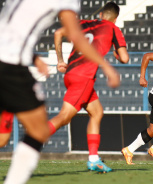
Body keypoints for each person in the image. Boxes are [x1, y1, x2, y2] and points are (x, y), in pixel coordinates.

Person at [0, 0, 120, 183]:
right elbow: (75, 35)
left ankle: (94, 158)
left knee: (3, 137)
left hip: (10, 57)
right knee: (41, 130)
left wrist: (34, 57)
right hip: (10, 64)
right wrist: (107, 66)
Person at [48, 2, 129, 173]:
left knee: (97, 112)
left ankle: (93, 159)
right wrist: (116, 53)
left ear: (100, 15)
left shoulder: (84, 23)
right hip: (83, 78)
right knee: (63, 117)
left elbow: (58, 32)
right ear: (115, 18)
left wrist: (60, 60)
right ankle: (30, 141)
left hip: (71, 74)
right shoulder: (113, 28)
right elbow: (124, 58)